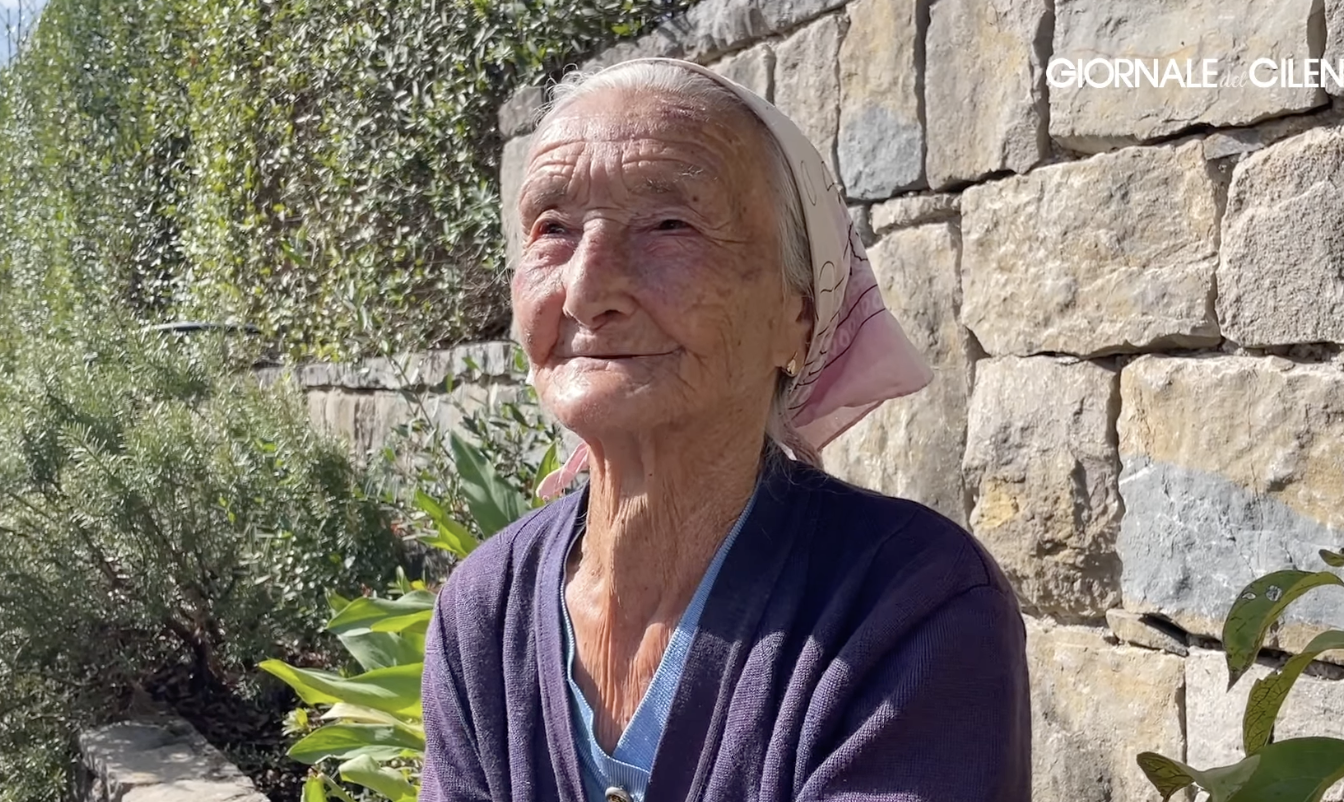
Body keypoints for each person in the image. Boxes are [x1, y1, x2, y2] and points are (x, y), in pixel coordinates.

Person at [420, 58, 1030, 802]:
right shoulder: (486, 608)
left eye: (668, 225)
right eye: (552, 229)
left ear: (795, 319)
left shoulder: (907, 607)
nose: (585, 290)